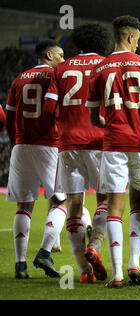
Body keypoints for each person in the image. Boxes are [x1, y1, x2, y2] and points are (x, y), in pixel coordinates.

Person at [86, 15, 140, 288]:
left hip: (113, 144)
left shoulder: (99, 69)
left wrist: (110, 124)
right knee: (138, 204)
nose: (138, 44)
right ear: (130, 37)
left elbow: (94, 118)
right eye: (137, 39)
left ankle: (116, 273)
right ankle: (134, 264)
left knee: (113, 208)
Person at [43, 23, 112, 283]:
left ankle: (84, 271)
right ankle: (95, 243)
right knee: (105, 200)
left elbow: (49, 109)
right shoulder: (107, 65)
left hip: (69, 143)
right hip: (99, 142)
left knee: (74, 206)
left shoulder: (60, 69)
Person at [5, 39, 67, 279]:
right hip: (49, 144)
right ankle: (44, 252)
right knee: (60, 202)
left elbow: (9, 117)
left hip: (21, 146)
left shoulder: (18, 79)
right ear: (49, 55)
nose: (63, 60)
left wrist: (15, 141)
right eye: (60, 55)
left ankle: (20, 265)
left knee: (24, 206)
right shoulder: (57, 77)